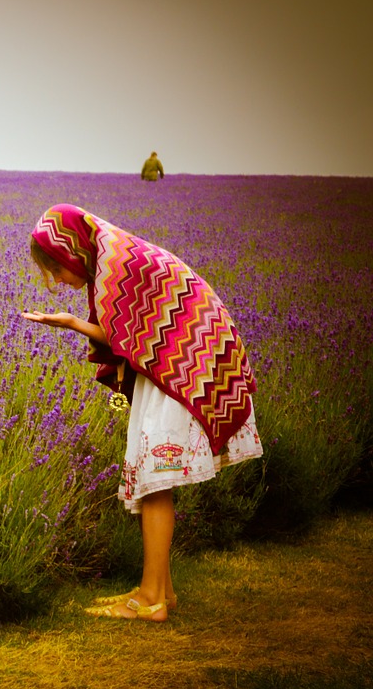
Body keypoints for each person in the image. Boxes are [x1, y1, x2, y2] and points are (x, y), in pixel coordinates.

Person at [21, 204, 261, 622]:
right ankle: (160, 589)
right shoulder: (114, 255)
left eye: (56, 269)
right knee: (152, 477)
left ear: (72, 250)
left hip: (183, 367)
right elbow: (128, 333)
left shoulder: (117, 265)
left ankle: (150, 600)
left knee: (154, 481)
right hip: (178, 363)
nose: (58, 281)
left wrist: (74, 323)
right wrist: (75, 322)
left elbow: (122, 337)